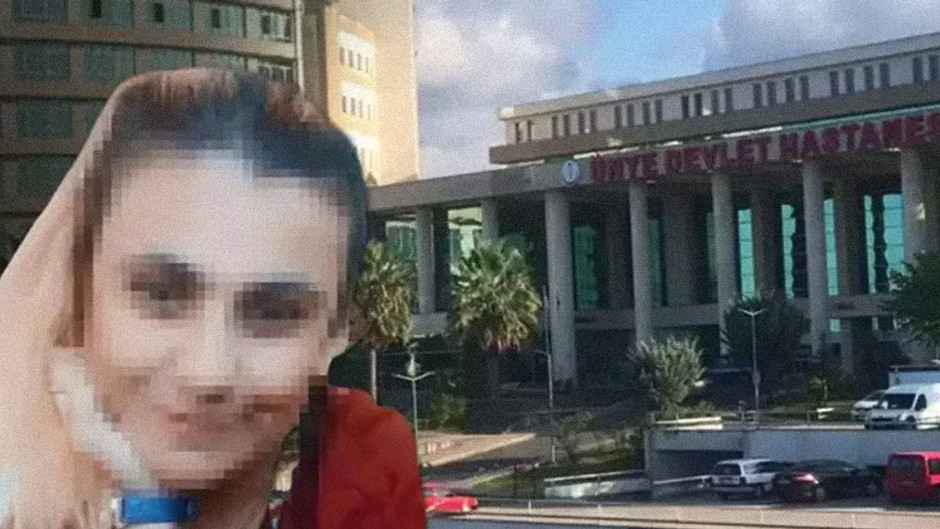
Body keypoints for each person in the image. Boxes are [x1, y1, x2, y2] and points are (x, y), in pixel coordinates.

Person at [0, 68, 425, 529]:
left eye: (274, 314)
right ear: (78, 295)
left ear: (337, 333)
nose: (209, 373)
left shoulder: (361, 472)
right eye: (161, 295)